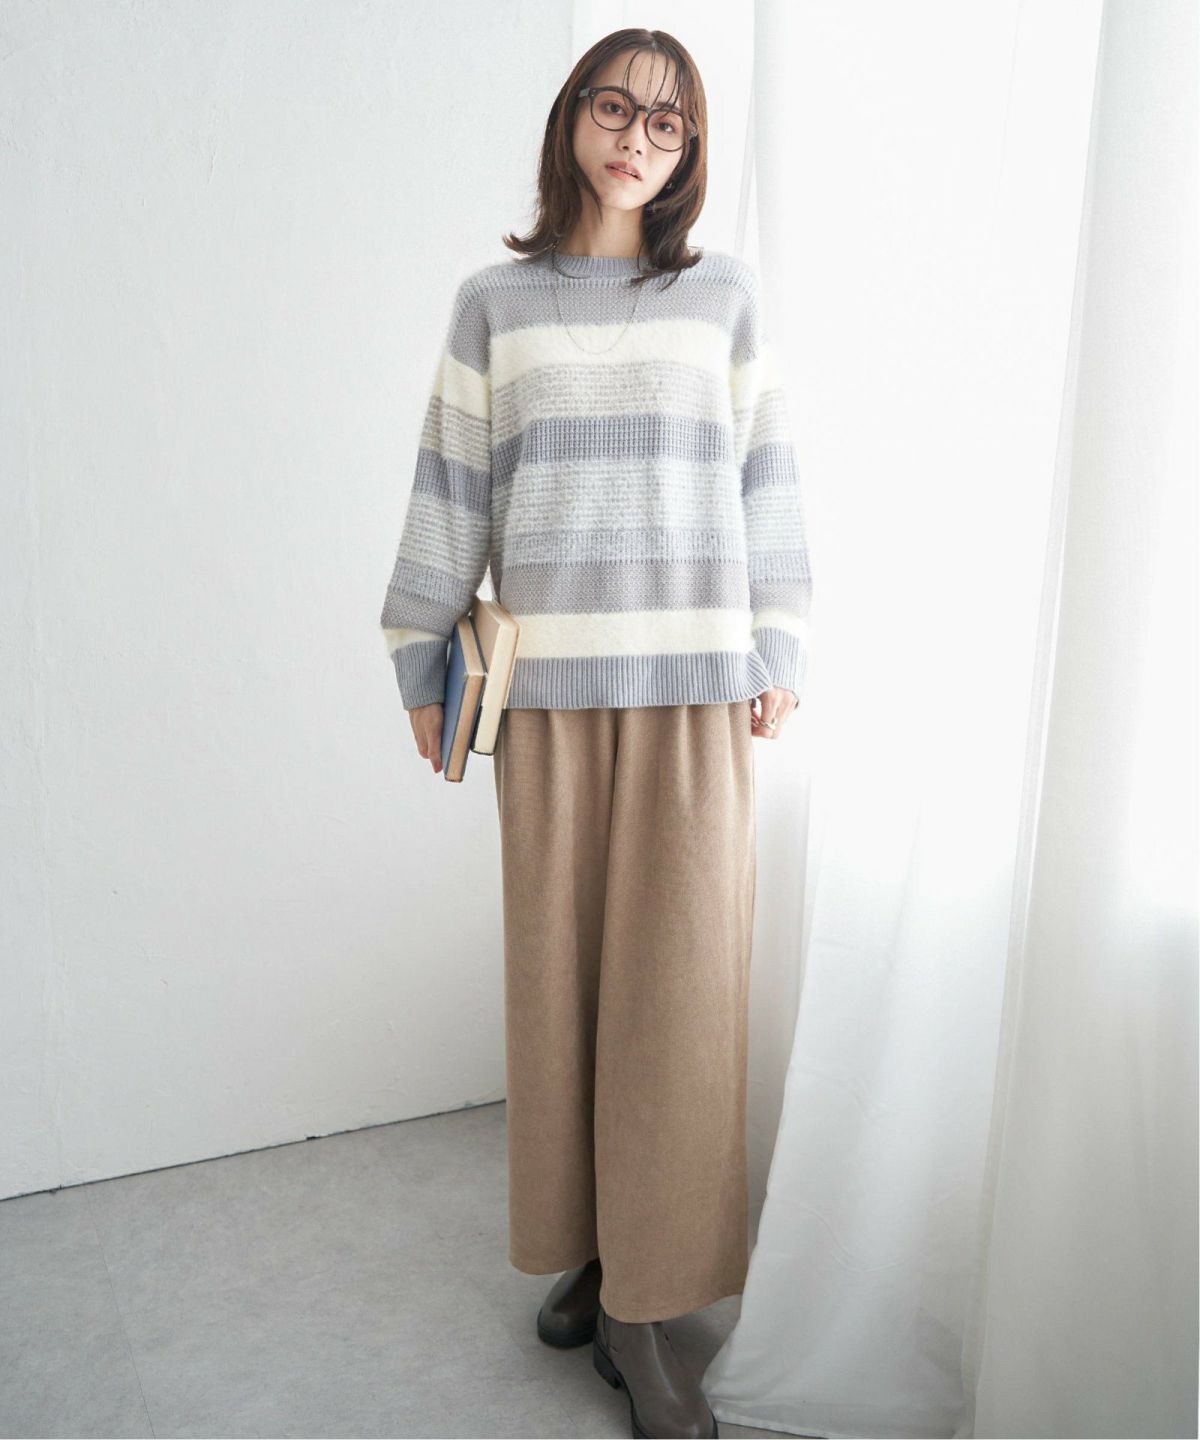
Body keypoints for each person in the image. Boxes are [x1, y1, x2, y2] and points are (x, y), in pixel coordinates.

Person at [378, 26, 812, 1440]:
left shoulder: (721, 298)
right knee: (561, 996)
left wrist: (780, 640)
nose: (636, 140)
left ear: (690, 152)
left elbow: (767, 476)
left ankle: (646, 1304)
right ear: (573, 120)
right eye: (616, 110)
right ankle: (593, 1251)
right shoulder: (494, 305)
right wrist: (422, 656)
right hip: (551, 704)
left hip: (693, 692)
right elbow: (450, 485)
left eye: (667, 124)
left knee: (677, 1004)